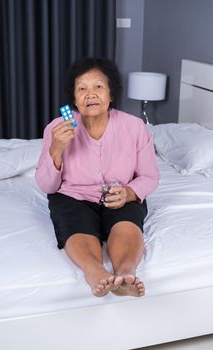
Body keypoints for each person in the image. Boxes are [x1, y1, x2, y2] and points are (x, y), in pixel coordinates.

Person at [35, 57, 159, 298]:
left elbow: (149, 176)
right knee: (77, 225)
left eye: (98, 87)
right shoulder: (56, 128)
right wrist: (56, 149)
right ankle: (95, 273)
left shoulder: (135, 127)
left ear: (111, 94)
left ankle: (125, 272)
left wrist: (130, 193)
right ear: (74, 99)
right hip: (73, 196)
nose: (90, 94)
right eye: (82, 88)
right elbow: (46, 185)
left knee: (127, 223)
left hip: (119, 194)